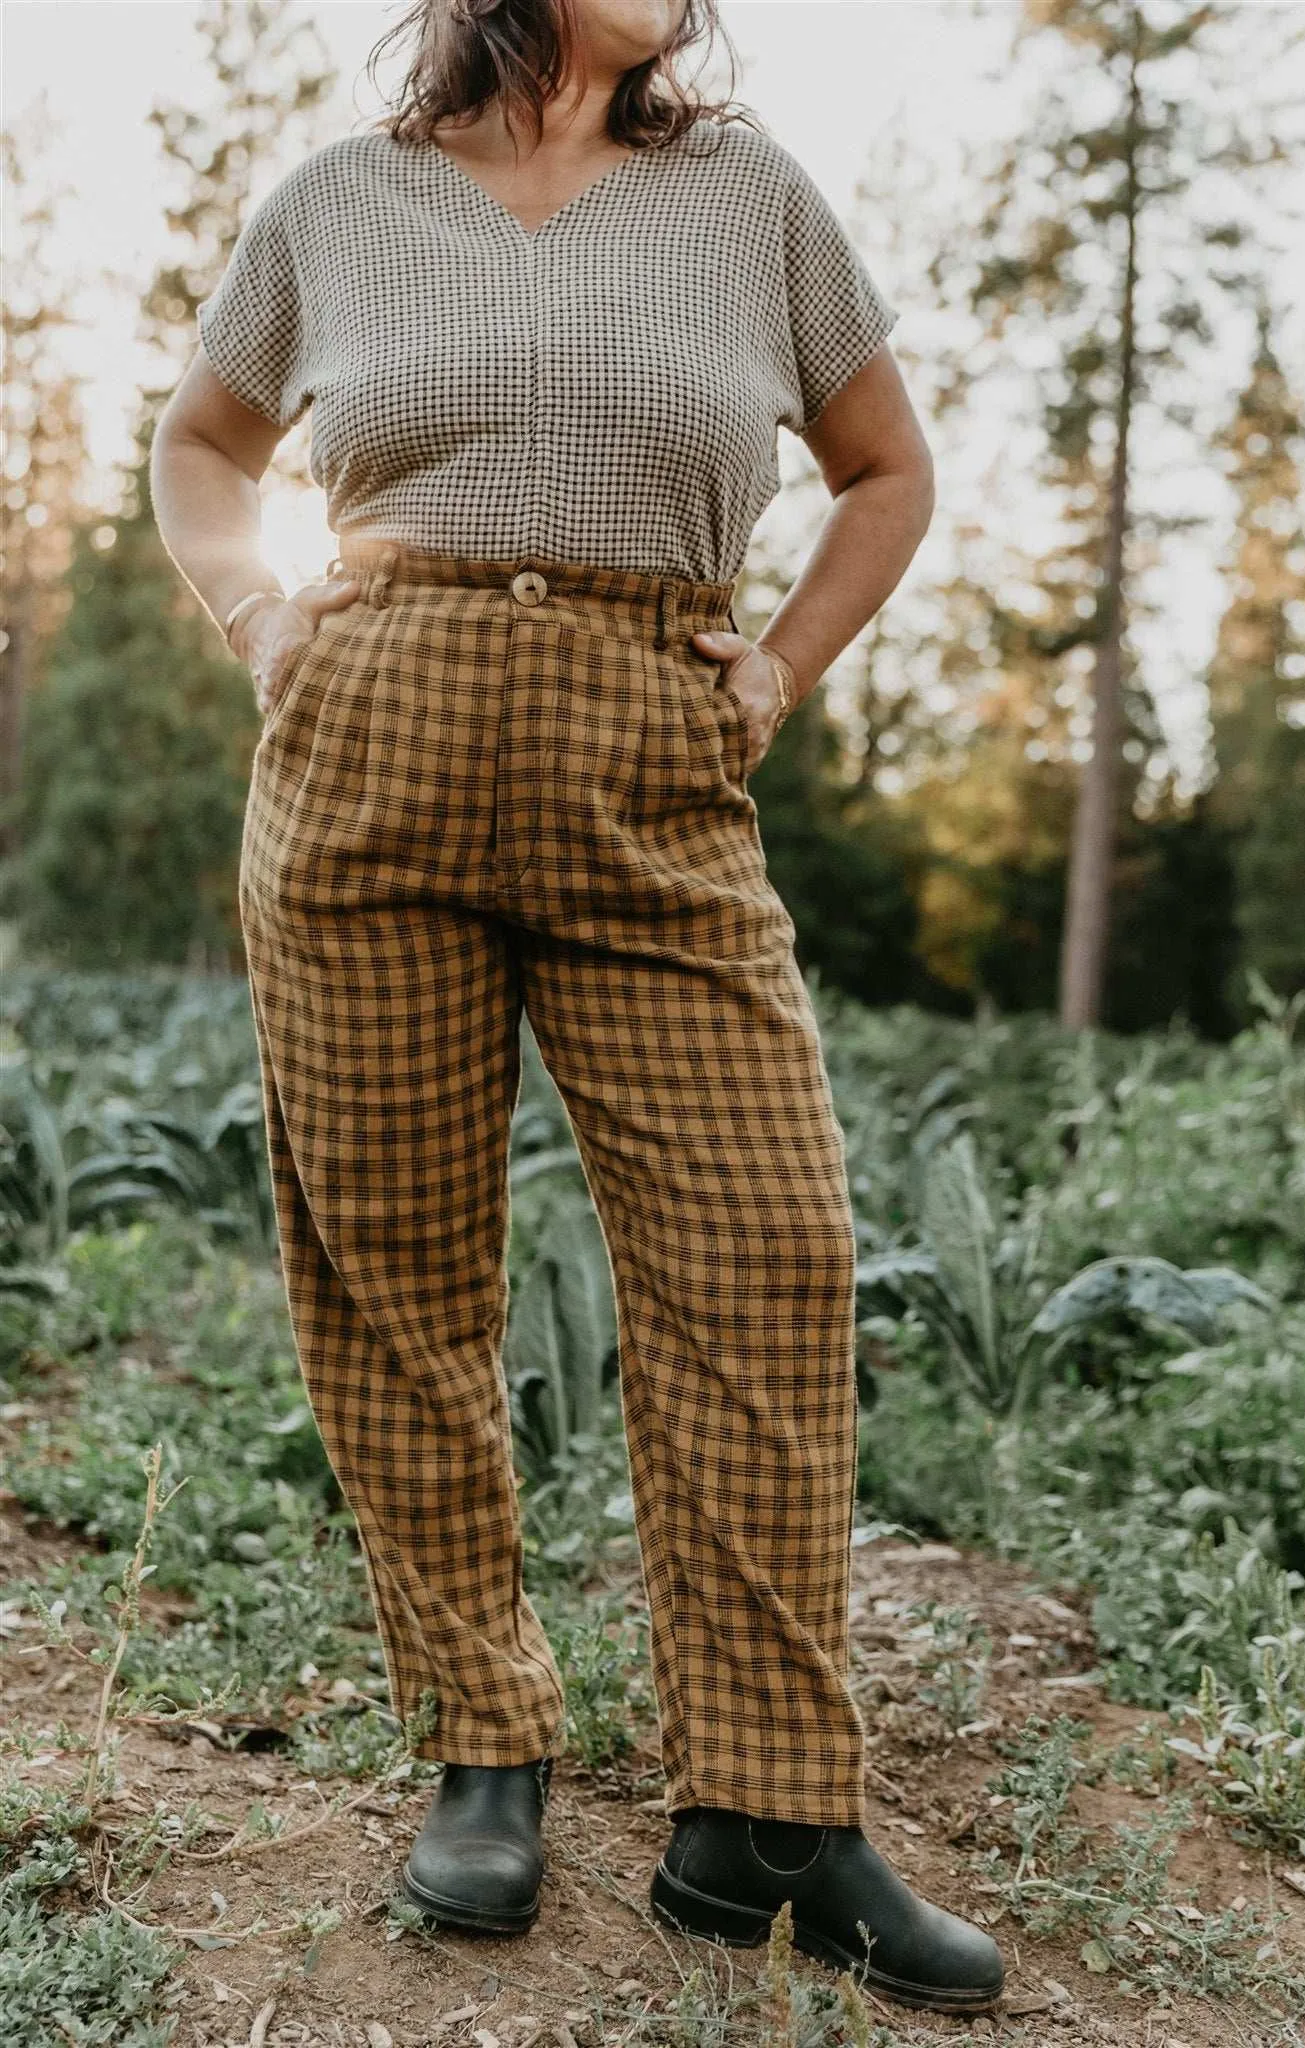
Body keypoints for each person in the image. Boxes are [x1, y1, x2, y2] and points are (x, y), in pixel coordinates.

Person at [150, 0, 1004, 2015]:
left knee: (764, 1254)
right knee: (396, 1270)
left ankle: (765, 1816)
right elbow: (202, 443)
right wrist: (259, 609)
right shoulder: (334, 206)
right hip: (370, 753)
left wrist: (781, 667)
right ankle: (482, 1741)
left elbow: (885, 471)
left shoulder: (748, 202)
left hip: (654, 764)